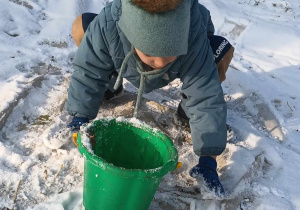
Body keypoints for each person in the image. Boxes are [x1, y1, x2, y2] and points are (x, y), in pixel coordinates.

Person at [67, 0, 234, 196]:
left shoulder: (193, 34)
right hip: (121, 57)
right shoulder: (109, 25)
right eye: (150, 54)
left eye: (170, 54)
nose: (160, 63)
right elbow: (88, 71)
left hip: (188, 56)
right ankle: (111, 83)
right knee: (83, 26)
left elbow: (206, 96)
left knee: (221, 50)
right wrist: (80, 116)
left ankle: (186, 111)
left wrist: (209, 157)